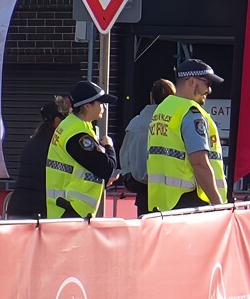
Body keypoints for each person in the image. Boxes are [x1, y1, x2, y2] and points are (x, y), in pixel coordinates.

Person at [147, 59, 227, 212]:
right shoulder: (191, 114)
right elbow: (199, 163)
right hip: (190, 201)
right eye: (207, 83)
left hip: (163, 202)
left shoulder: (162, 110)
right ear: (191, 81)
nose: (209, 90)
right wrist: (218, 204)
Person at [45, 82, 118, 219]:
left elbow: (86, 166)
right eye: (100, 103)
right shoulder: (76, 133)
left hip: (66, 207)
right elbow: (106, 167)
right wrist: (109, 146)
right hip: (71, 208)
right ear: (87, 106)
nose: (104, 107)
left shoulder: (74, 125)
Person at [119, 79, 176, 215]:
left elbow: (124, 157)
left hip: (143, 191)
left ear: (151, 97)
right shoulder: (177, 123)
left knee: (145, 234)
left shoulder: (135, 123)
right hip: (171, 193)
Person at [7, 98, 67, 218]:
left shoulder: (34, 141)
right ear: (57, 121)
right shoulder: (55, 145)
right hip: (38, 211)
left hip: (18, 206)